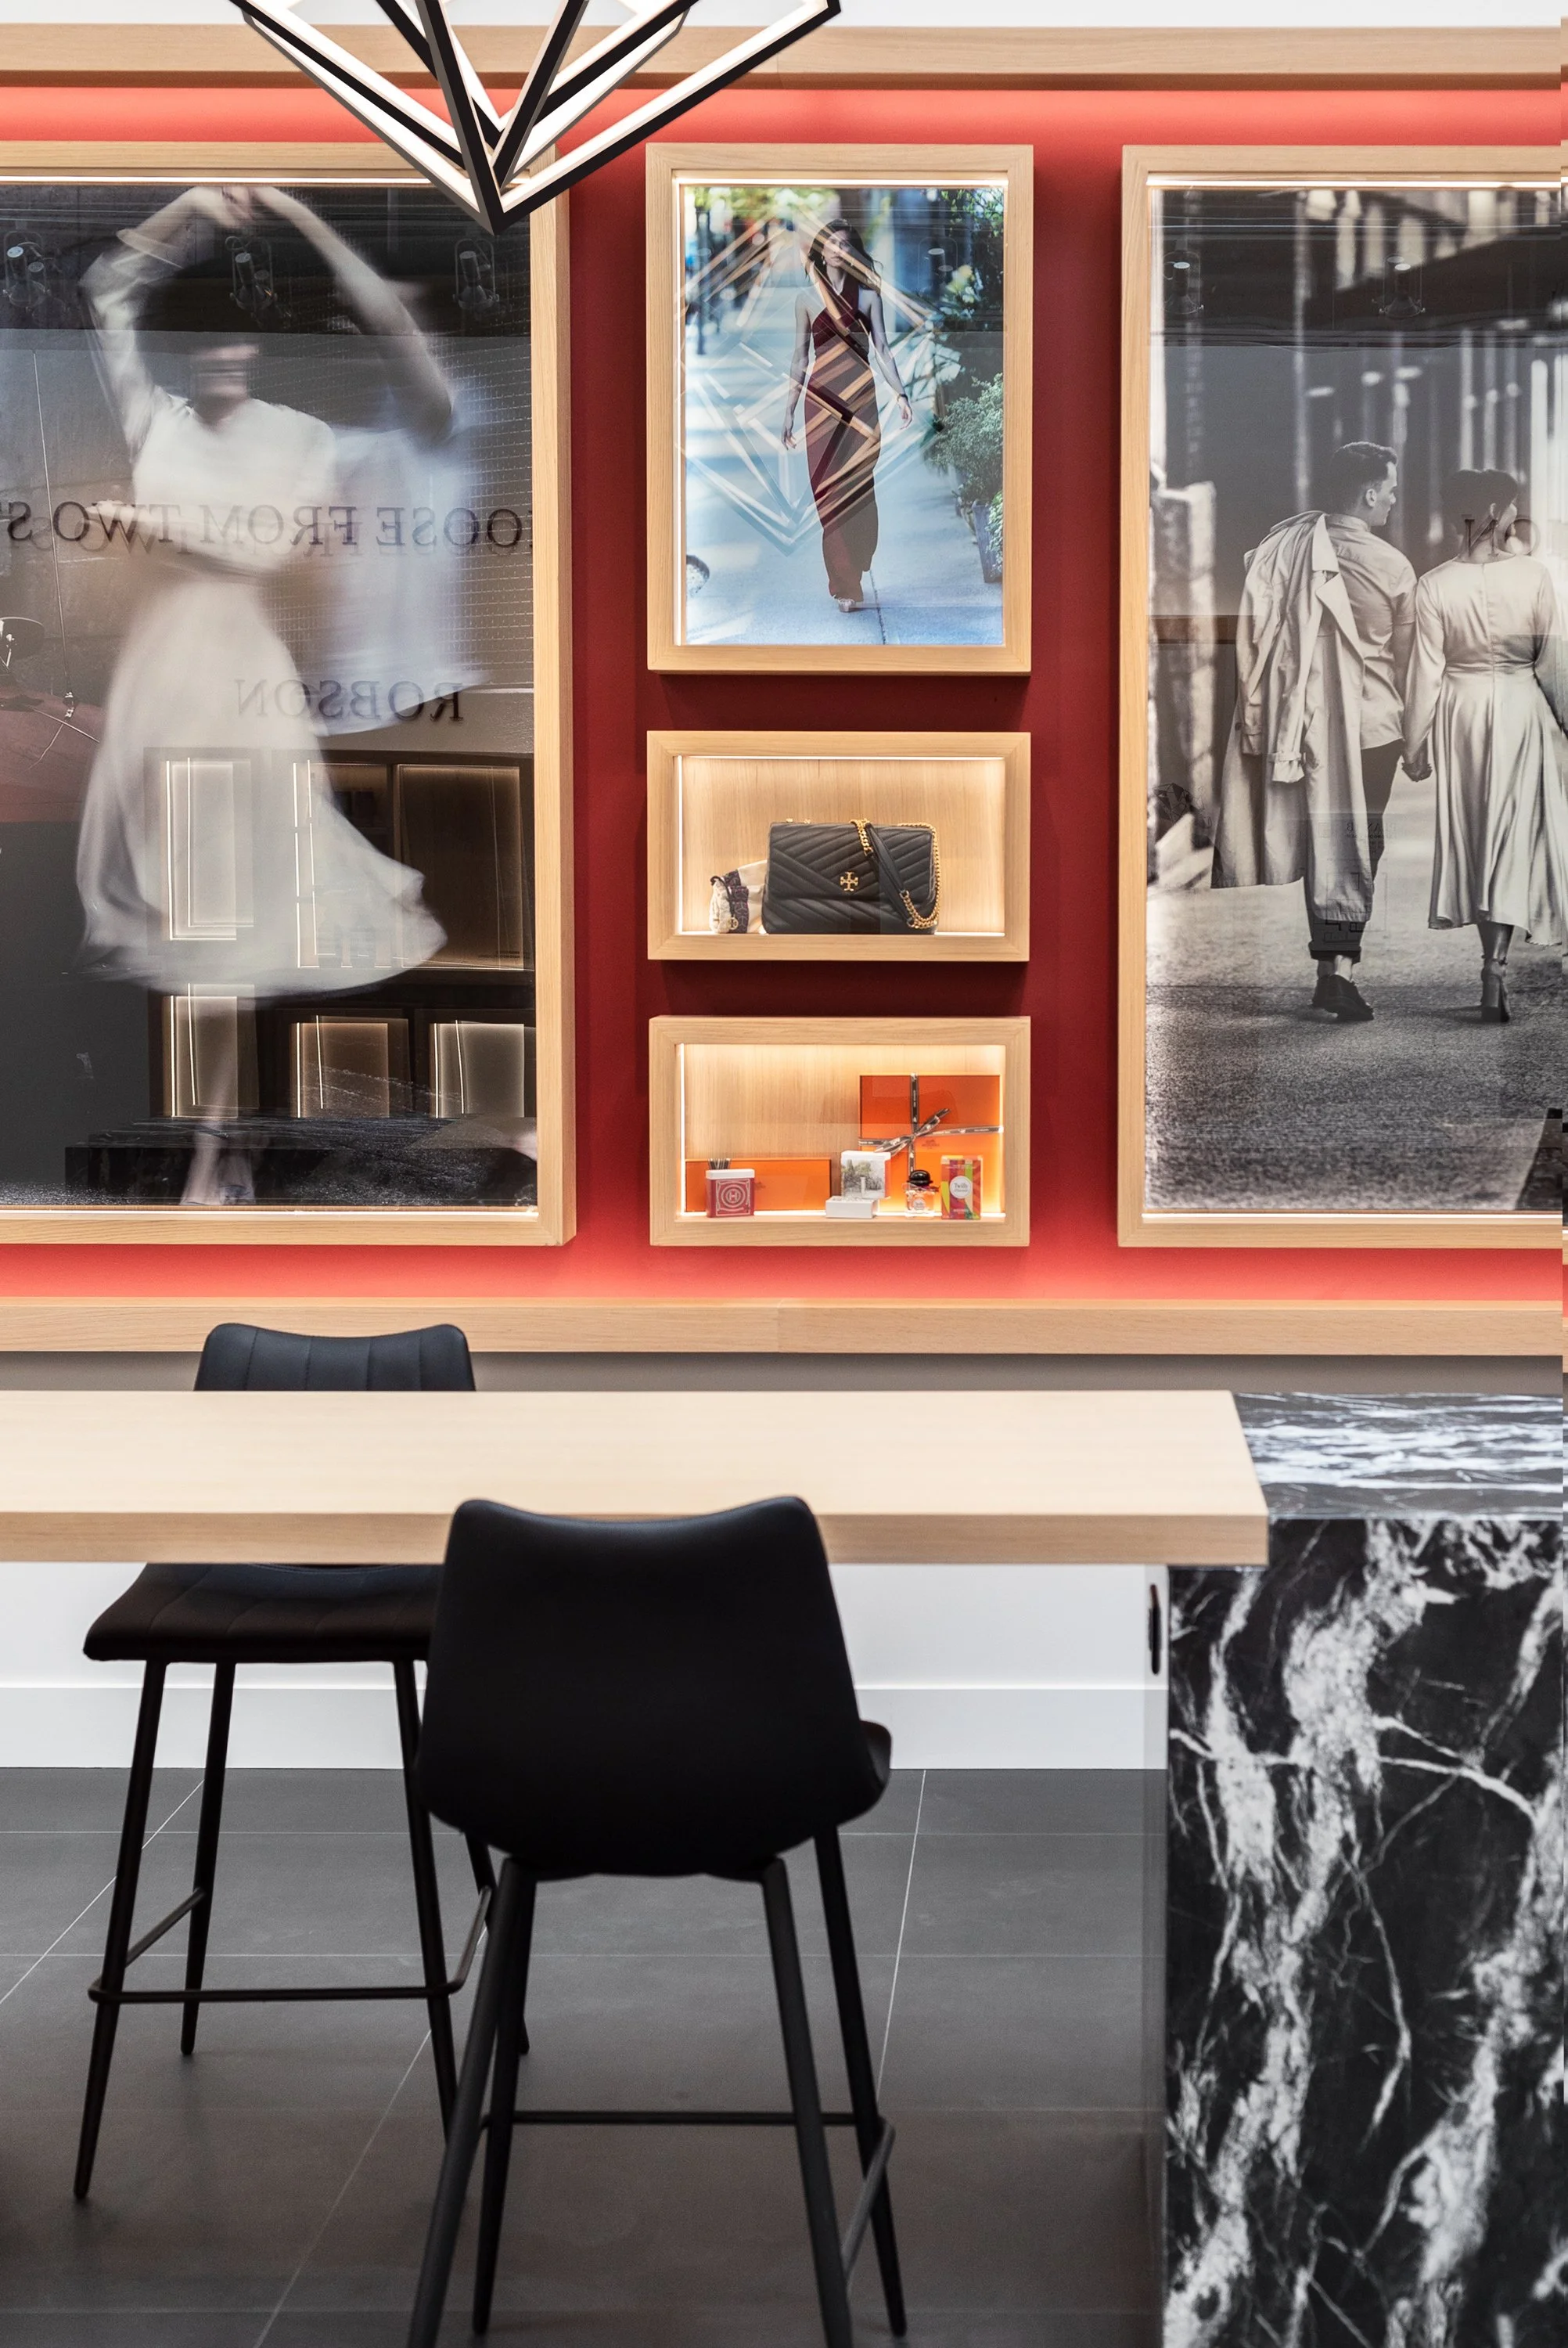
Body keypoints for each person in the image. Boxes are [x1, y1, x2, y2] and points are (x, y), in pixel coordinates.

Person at [76, 183, 448, 1201]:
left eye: (239, 342)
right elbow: (108, 292)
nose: (222, 359)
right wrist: (187, 209)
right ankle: (212, 1138)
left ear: (266, 350)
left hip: (238, 683)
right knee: (190, 925)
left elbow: (271, 550)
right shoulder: (158, 425)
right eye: (205, 344)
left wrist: (156, 536)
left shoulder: (302, 441)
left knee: (238, 920)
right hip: (161, 679)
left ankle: (218, 1145)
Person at [1212, 441, 1417, 1021]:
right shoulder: (1392, 567)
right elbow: (1410, 661)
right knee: (1357, 842)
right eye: (1392, 489)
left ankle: (1332, 966)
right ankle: (1338, 969)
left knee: (1326, 839)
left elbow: (1252, 639)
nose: (1395, 499)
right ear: (1370, 492)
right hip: (1372, 729)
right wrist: (1421, 733)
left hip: (1300, 720)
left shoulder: (1281, 547)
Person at [1403, 468, 1568, 1022]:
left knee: (1477, 831)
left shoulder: (1433, 585)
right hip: (1523, 708)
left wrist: (1414, 743)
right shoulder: (1533, 576)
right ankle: (1498, 961)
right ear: (1496, 512)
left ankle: (1490, 962)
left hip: (1463, 711)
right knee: (1518, 831)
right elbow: (1552, 664)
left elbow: (1424, 673)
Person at [781, 220, 912, 614]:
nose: (839, 249)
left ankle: (857, 558)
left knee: (857, 487)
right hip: (819, 404)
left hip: (860, 402)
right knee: (828, 492)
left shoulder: (869, 297)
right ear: (822, 250)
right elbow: (800, 358)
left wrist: (901, 394)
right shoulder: (805, 298)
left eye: (846, 244)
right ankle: (845, 583)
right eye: (832, 243)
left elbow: (884, 351)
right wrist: (788, 411)